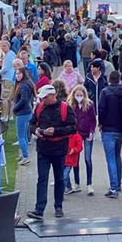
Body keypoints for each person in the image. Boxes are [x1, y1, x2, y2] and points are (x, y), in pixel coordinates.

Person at [27, 85, 77, 220]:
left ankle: (58, 206)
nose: (43, 100)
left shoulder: (65, 108)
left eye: (45, 98)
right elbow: (31, 124)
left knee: (59, 179)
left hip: (59, 150)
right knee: (42, 179)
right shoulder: (39, 107)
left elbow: (73, 128)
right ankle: (39, 209)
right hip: (43, 149)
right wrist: (35, 131)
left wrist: (55, 131)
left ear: (52, 95)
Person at [99, 71, 122, 198]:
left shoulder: (105, 92)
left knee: (110, 158)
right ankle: (118, 184)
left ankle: (114, 187)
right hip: (120, 128)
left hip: (108, 128)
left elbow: (101, 109)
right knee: (117, 156)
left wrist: (100, 123)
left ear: (109, 79)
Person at [68, 85, 97, 195]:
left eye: (81, 95)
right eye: (77, 95)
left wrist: (91, 132)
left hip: (87, 133)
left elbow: (93, 120)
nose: (79, 97)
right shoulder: (71, 105)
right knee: (76, 159)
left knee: (87, 159)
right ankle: (77, 183)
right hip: (76, 134)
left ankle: (89, 184)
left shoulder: (89, 104)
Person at [13, 67, 36, 166]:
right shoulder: (27, 83)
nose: (17, 75)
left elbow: (24, 100)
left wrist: (15, 108)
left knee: (21, 136)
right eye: (16, 74)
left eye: (19, 74)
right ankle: (24, 154)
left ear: (23, 74)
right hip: (27, 112)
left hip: (23, 113)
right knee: (24, 135)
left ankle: (26, 156)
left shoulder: (23, 86)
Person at [0, 40, 16, 121]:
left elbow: (6, 68)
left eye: (4, 46)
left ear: (8, 46)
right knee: (10, 98)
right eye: (2, 46)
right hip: (10, 78)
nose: (2, 48)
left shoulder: (9, 55)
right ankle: (10, 115)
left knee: (5, 98)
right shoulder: (10, 54)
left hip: (7, 78)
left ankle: (5, 116)